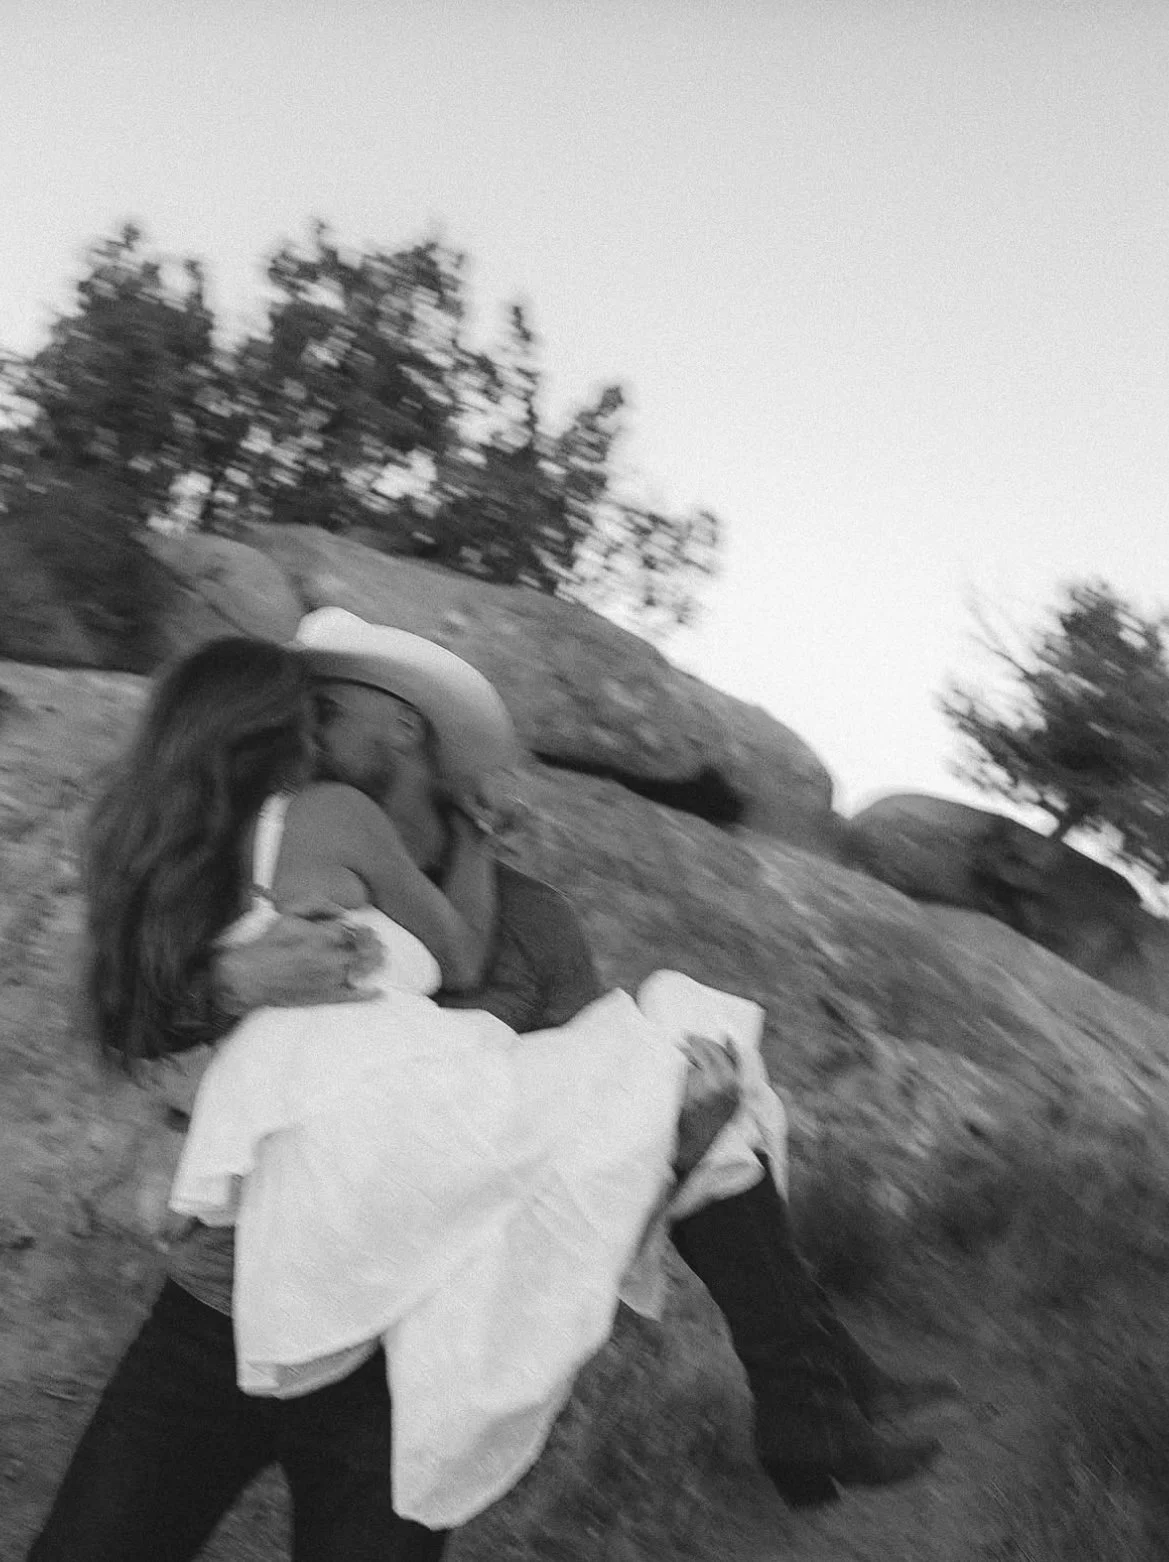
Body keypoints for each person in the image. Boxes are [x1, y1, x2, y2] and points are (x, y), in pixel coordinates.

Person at [27, 621, 947, 1562]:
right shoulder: (255, 850)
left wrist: (668, 1143)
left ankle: (813, 1396)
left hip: (408, 1345)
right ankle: (817, 1398)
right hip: (220, 1309)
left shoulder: (535, 924)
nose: (304, 736)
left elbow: (567, 1158)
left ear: (401, 731)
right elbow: (133, 1023)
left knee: (689, 1062)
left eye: (327, 715)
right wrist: (234, 985)